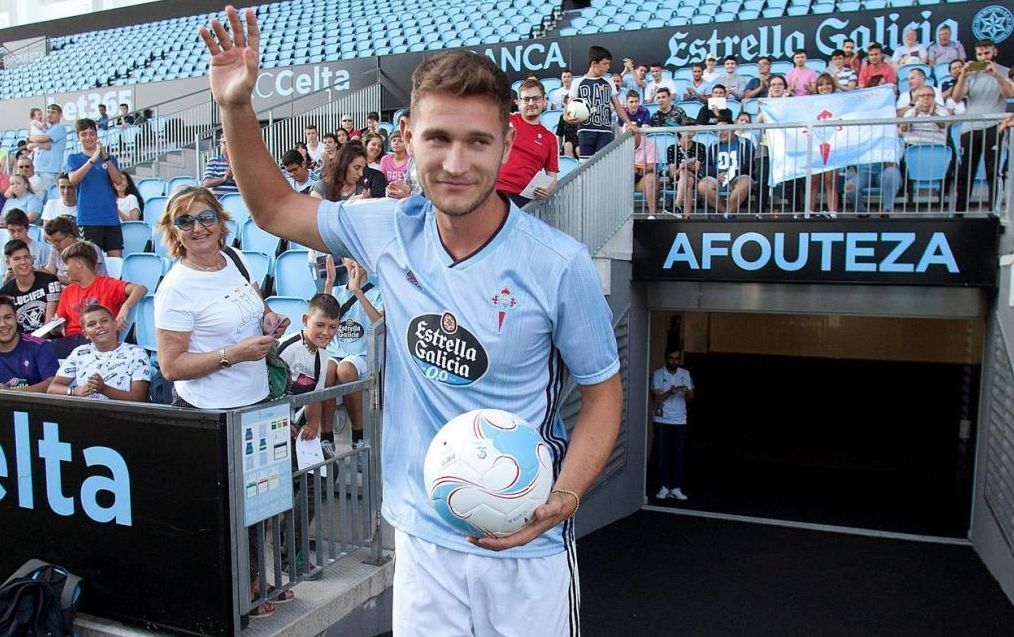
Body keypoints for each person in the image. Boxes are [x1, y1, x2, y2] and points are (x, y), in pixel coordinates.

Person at [200, 10, 622, 634]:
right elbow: (273, 207)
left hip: (523, 546)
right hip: (422, 540)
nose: (456, 162)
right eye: (438, 139)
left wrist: (564, 497)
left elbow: (603, 394)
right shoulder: (387, 229)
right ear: (408, 141)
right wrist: (236, 106)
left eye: (478, 141)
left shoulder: (558, 265)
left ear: (506, 145)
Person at [152, 185, 291, 617]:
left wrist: (267, 317)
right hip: (210, 414)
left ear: (220, 220)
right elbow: (172, 366)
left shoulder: (234, 258)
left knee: (258, 500)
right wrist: (234, 354)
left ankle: (253, 577)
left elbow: (254, 303)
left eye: (205, 217)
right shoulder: (175, 288)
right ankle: (233, 592)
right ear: (174, 231)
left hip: (255, 401)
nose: (198, 228)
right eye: (186, 221)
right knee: (224, 512)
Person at [322, 256, 382, 452]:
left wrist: (358, 292)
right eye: (350, 257)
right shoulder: (336, 292)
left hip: (363, 355)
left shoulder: (377, 292)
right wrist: (329, 284)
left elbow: (379, 323)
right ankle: (326, 436)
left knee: (345, 369)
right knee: (327, 369)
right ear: (344, 262)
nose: (356, 261)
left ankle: (358, 434)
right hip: (335, 351)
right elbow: (321, 318)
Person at [951, 40, 1014, 212]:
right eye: (980, 54)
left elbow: (1009, 95)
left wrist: (997, 76)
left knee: (993, 172)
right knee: (965, 173)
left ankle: (993, 214)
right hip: (970, 127)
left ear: (995, 51)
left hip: (994, 125)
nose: (984, 57)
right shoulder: (971, 73)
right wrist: (963, 75)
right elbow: (956, 98)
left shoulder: (1005, 71)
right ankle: (959, 213)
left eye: (987, 53)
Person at [53, 241, 145, 357]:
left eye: (66, 264)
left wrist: (125, 307)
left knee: (45, 350)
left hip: (98, 338)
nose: (64, 268)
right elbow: (59, 322)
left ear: (79, 263)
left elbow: (140, 289)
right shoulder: (67, 291)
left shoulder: (107, 285)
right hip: (73, 341)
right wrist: (55, 328)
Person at [47, 303, 151, 401]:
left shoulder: (136, 353)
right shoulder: (80, 352)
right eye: (91, 324)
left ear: (115, 325)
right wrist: (74, 391)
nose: (99, 326)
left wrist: (104, 389)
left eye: (104, 321)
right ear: (85, 333)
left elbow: (139, 397)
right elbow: (52, 388)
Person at [565, 45, 639, 159]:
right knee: (586, 165)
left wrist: (629, 123)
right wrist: (567, 117)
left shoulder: (608, 82)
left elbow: (618, 106)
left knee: (602, 165)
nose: (608, 67)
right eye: (605, 64)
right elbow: (569, 107)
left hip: (604, 130)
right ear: (594, 64)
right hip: (585, 130)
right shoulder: (578, 82)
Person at [495, 78, 559, 208]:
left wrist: (548, 190)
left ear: (544, 101)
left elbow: (552, 177)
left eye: (536, 98)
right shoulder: (504, 120)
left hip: (521, 201)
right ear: (518, 102)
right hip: (491, 192)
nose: (531, 103)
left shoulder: (550, 138)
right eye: (526, 99)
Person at [66, 118, 124, 257]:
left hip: (110, 217)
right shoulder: (74, 158)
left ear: (97, 135)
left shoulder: (109, 158)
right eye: (84, 134)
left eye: (91, 133)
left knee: (116, 261)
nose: (88, 137)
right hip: (88, 218)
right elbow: (73, 179)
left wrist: (105, 158)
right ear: (78, 136)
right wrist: (92, 160)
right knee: (91, 261)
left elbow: (118, 181)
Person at [651, 349, 694, 501]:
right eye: (671, 358)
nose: (674, 361)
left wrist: (687, 391)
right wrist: (671, 391)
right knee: (662, 454)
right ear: (666, 358)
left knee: (678, 454)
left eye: (677, 359)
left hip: (680, 420)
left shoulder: (685, 374)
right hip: (662, 419)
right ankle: (663, 486)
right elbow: (657, 398)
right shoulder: (657, 374)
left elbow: (691, 397)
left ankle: (675, 487)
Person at [698, 115, 755, 218]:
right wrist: (717, 174)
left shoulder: (745, 143)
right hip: (719, 177)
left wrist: (732, 174)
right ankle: (727, 213)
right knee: (702, 185)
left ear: (732, 129)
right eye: (718, 130)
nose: (721, 133)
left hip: (738, 176)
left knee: (746, 181)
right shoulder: (714, 146)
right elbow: (706, 165)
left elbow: (749, 163)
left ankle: (727, 214)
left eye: (724, 129)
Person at [0, 239, 61, 333]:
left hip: (47, 340)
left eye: (26, 257)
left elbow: (49, 324)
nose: (23, 262)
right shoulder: (5, 293)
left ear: (32, 259)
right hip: (20, 342)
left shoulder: (50, 281)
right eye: (17, 259)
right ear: (8, 263)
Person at [0, 295, 57, 392]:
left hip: (37, 406)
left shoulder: (39, 346)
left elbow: (53, 383)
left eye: (8, 317)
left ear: (16, 317)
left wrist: (11, 394)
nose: (3, 324)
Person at [808, 74, 842, 217]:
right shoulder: (811, 103)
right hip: (815, 145)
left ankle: (832, 212)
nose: (824, 87)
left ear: (833, 86)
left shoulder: (840, 102)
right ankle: (809, 212)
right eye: (821, 85)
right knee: (813, 181)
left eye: (828, 84)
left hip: (834, 144)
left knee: (831, 181)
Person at [42, 216, 108, 283]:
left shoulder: (89, 249)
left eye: (58, 241)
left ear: (70, 236)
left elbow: (85, 281)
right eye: (52, 242)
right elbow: (50, 271)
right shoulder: (55, 249)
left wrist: (55, 278)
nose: (55, 246)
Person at [667, 130, 706, 217]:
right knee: (688, 178)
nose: (687, 134)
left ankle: (677, 205)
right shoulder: (672, 148)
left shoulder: (700, 146)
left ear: (695, 133)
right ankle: (687, 216)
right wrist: (681, 167)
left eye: (691, 131)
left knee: (687, 173)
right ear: (680, 132)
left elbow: (696, 169)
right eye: (685, 131)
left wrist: (687, 166)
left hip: (696, 177)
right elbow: (672, 174)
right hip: (678, 179)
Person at [2, 209, 51, 278]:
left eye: (20, 230)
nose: (16, 235)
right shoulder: (5, 251)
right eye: (12, 231)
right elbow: (3, 279)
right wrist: (7, 277)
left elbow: (49, 275)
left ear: (27, 228)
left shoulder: (41, 249)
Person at [29, 104, 67, 191]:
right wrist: (35, 141)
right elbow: (30, 145)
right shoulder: (46, 129)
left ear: (60, 115)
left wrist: (31, 138)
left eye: (53, 112)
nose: (49, 115)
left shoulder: (59, 127)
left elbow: (42, 138)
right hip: (39, 168)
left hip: (49, 170)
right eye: (48, 112)